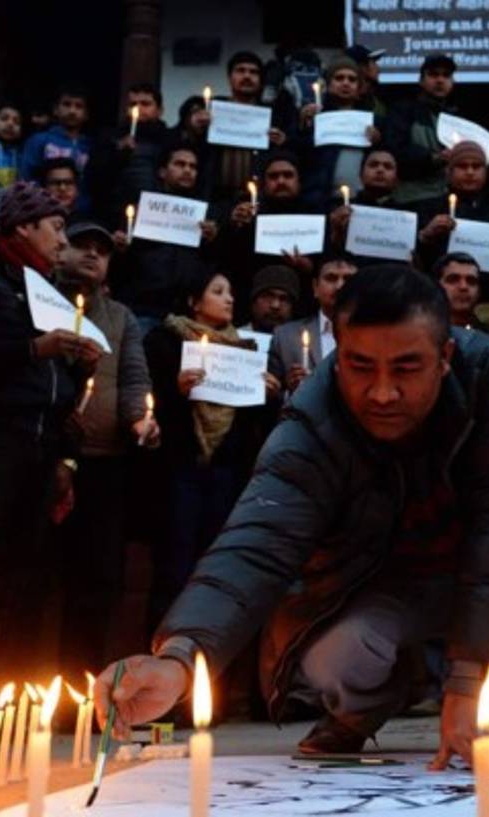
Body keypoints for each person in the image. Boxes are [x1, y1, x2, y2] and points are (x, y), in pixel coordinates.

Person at [94, 265, 489, 760]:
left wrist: (469, 683)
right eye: (360, 366)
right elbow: (257, 539)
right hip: (379, 581)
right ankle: (366, 708)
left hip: (487, 561)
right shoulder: (313, 416)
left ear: (445, 357)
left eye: (407, 367)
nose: (382, 392)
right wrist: (180, 656)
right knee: (332, 661)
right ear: (337, 355)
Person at [0, 182, 101, 697]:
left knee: (26, 574)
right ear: (23, 227)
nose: (62, 239)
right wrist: (34, 348)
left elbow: (51, 370)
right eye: (54, 227)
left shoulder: (47, 285)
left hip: (42, 442)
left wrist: (75, 366)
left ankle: (7, 700)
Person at [142, 271, 281, 629]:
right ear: (193, 301)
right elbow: (150, 405)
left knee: (213, 566)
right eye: (218, 291)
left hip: (225, 472)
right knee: (174, 567)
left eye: (232, 291)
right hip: (179, 470)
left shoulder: (246, 349)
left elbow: (254, 423)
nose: (229, 299)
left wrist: (268, 397)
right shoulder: (164, 342)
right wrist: (176, 391)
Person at [54, 221, 158, 677]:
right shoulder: (38, 302)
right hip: (46, 460)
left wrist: (141, 419)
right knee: (40, 576)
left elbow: (134, 378)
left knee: (98, 580)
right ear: (60, 251)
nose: (93, 255)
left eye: (102, 250)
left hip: (105, 463)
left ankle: (79, 692)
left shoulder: (120, 317)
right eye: (82, 247)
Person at [110, 145, 216, 335]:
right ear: (162, 171)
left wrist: (210, 242)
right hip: (141, 308)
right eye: (180, 164)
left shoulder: (206, 217)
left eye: (193, 167)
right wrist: (120, 247)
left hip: (184, 316)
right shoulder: (140, 211)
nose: (187, 170)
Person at [215, 150, 321, 319]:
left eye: (288, 175)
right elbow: (226, 260)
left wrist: (307, 266)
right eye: (273, 176)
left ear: (299, 182)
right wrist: (234, 226)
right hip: (248, 308)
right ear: (264, 184)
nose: (281, 181)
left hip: (301, 308)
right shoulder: (247, 215)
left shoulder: (316, 217)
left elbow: (326, 266)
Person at [199, 51, 292, 203]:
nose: (247, 76)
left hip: (261, 196)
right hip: (217, 196)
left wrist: (283, 141)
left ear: (261, 80)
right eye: (241, 70)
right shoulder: (212, 111)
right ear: (230, 78)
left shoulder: (275, 116)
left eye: (253, 72)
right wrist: (196, 127)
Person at [294, 55, 384, 208]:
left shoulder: (373, 121)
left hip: (360, 200)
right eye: (339, 78)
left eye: (352, 79)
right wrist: (304, 126)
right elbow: (297, 154)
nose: (345, 83)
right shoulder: (314, 117)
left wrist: (378, 142)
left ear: (359, 87)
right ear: (328, 85)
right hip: (320, 201)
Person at [413, 140, 489, 273]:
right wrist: (426, 236)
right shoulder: (430, 209)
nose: (470, 172)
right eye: (462, 166)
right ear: (449, 172)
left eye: (476, 166)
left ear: (486, 172)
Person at [269, 253, 358, 397]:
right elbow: (270, 397)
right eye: (331, 278)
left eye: (348, 279)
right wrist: (290, 390)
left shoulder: (377, 336)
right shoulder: (285, 337)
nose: (340, 286)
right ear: (315, 287)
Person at [87, 83, 169, 223]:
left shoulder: (169, 139)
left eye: (145, 104)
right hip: (117, 214)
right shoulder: (110, 138)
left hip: (159, 214)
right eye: (133, 104)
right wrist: (117, 153)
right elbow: (95, 178)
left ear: (159, 110)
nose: (138, 109)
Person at [384, 54, 460, 204]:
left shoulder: (457, 117)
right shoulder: (403, 111)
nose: (440, 80)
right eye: (433, 74)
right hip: (412, 198)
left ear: (452, 82)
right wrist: (433, 158)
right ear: (421, 81)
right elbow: (395, 149)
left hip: (447, 198)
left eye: (446, 75)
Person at [21, 86, 93, 211]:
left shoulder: (90, 146)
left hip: (79, 214)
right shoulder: (39, 140)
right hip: (43, 211)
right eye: (66, 104)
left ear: (86, 114)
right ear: (55, 110)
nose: (72, 111)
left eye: (78, 106)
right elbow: (27, 178)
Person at [326, 147, 403, 251]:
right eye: (373, 165)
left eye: (388, 167)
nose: (380, 170)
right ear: (360, 176)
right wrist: (335, 231)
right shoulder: (339, 210)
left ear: (396, 180)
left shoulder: (407, 217)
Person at [238, 265, 299, 351]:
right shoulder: (232, 341)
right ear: (254, 302)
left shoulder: (301, 348)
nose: (275, 305)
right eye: (268, 296)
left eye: (284, 299)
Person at [433, 252, 481, 328]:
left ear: (479, 291)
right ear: (435, 286)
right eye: (453, 279)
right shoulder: (416, 332)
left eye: (471, 281)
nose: (463, 287)